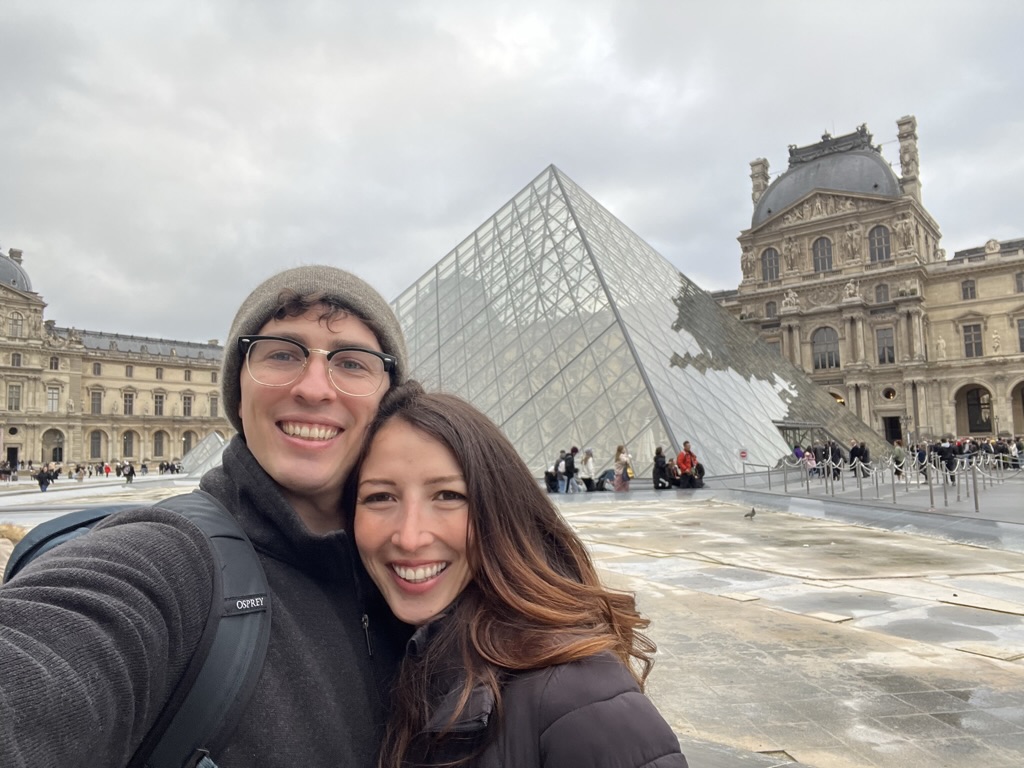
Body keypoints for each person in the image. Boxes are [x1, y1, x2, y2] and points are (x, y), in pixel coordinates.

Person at [0, 266, 411, 767]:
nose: (314, 388)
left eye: (352, 362)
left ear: (391, 398)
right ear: (238, 386)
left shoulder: (418, 560)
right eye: (282, 353)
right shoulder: (167, 560)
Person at [345, 384, 687, 768]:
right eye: (379, 497)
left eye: (448, 495)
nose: (409, 537)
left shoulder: (579, 698)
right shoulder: (404, 661)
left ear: (500, 509)